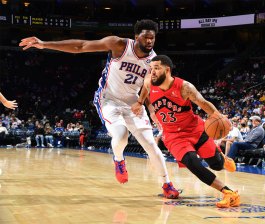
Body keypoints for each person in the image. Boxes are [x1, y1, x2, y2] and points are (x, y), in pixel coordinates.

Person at [19, 19, 179, 199]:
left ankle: (167, 185)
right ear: (136, 37)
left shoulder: (153, 61)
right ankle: (119, 160)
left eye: (153, 38)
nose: (150, 41)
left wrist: (150, 109)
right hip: (108, 99)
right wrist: (44, 44)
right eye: (146, 37)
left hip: (134, 103)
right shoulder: (119, 44)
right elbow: (81, 46)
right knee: (121, 136)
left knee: (151, 145)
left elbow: (147, 87)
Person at [132, 55, 240, 208]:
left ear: (167, 70)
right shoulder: (149, 82)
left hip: (195, 129)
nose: (152, 72)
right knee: (193, 164)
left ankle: (223, 158)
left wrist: (219, 116)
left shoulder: (184, 87)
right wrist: (139, 102)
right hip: (173, 136)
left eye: (156, 68)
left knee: (216, 165)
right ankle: (229, 193)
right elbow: (145, 89)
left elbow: (203, 103)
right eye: (151, 69)